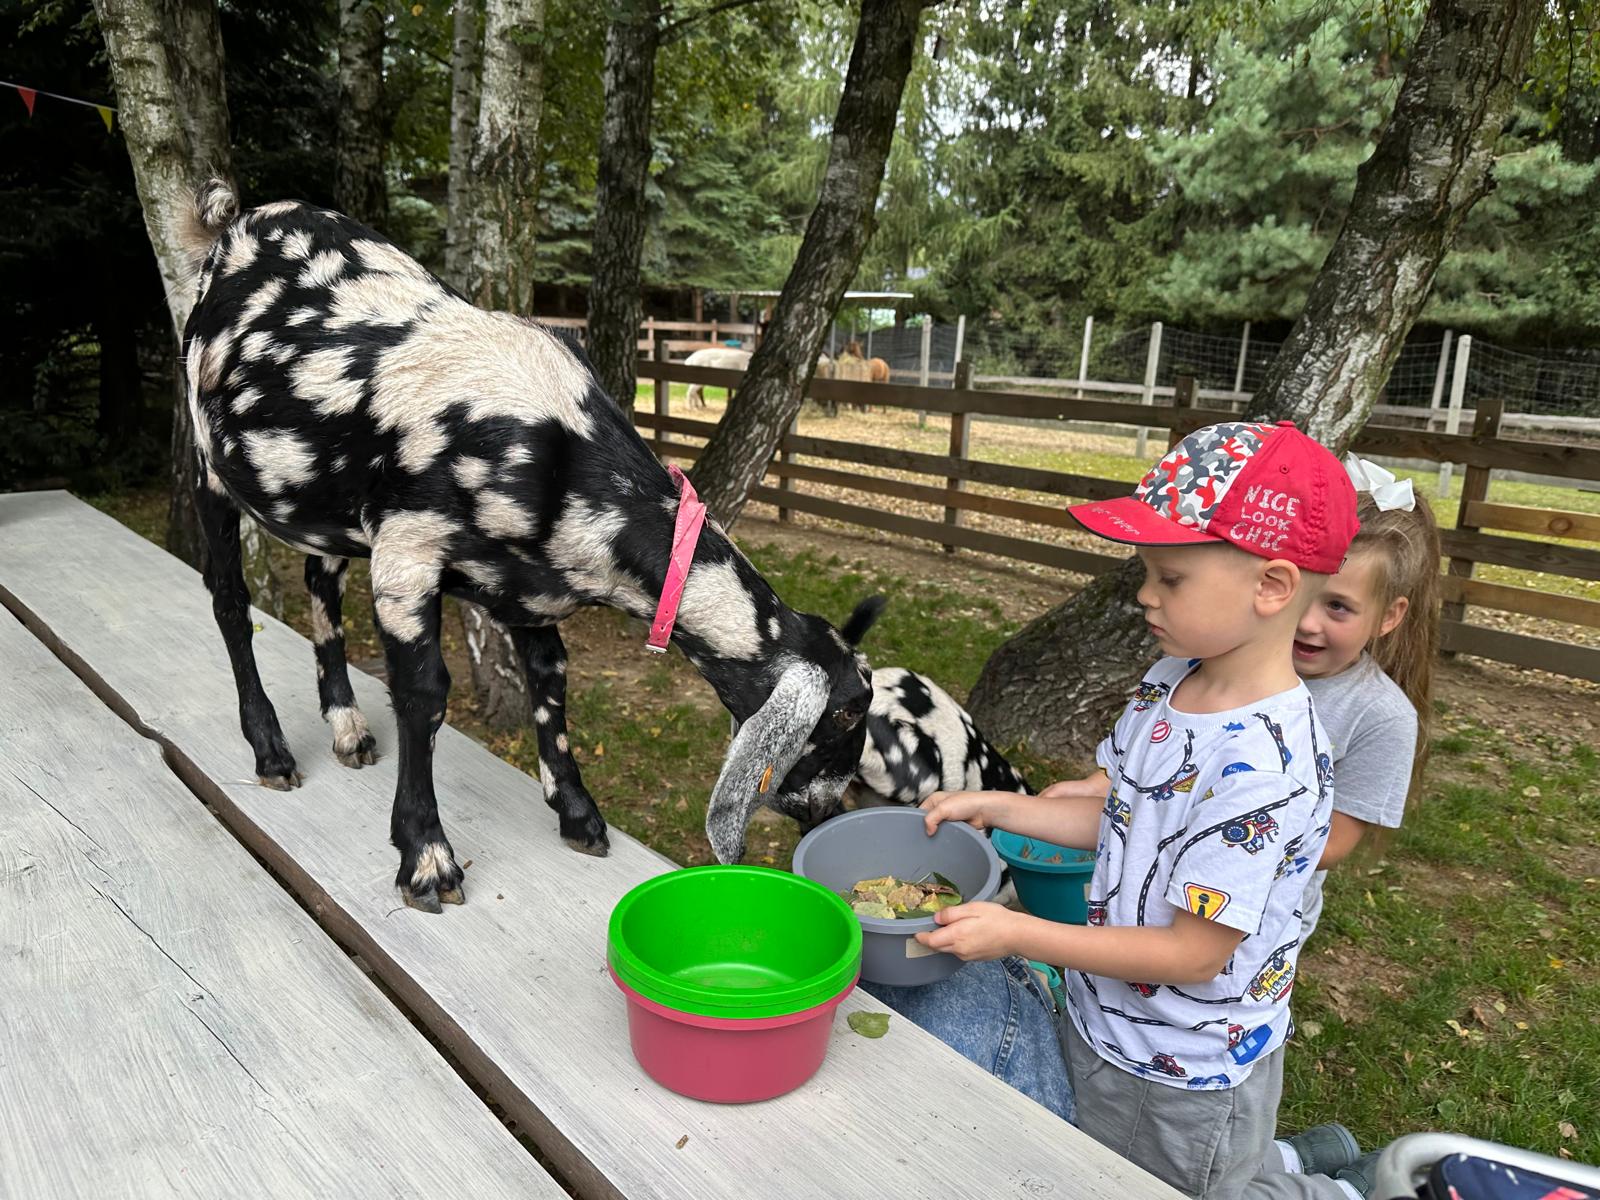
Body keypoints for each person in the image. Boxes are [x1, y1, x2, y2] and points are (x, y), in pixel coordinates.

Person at [867, 420, 1364, 1198]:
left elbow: (1194, 954)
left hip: (1185, 1073)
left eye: (1170, 578)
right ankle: (1296, 1163)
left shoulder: (1263, 768)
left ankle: (1327, 1189)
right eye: (1145, 571)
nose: (1143, 593)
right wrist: (998, 806)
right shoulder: (1170, 681)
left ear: (1270, 587)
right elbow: (1125, 817)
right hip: (1109, 1022)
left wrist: (1019, 934)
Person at [1269, 459, 1443, 1192]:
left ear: (1389, 617)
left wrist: (1225, 841)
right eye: (1304, 594)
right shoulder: (1244, 660)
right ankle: (1285, 1156)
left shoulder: (1380, 717)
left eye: (1338, 607)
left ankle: (1329, 1184)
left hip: (1266, 922)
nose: (1310, 622)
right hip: (1179, 894)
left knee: (1231, 1047)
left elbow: (1337, 841)